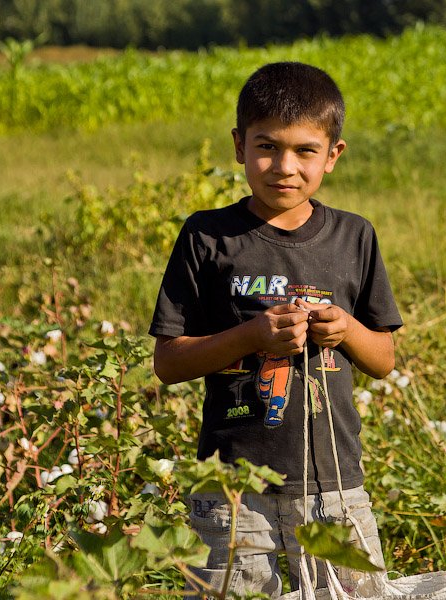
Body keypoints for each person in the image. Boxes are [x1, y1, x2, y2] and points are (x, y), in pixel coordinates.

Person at [149, 61, 402, 597]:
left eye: (305, 151)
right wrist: (252, 337)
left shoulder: (354, 237)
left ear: (333, 155)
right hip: (231, 489)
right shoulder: (207, 236)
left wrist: (346, 329)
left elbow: (383, 359)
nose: (284, 166)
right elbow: (168, 363)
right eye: (266, 147)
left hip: (333, 485)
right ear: (239, 145)